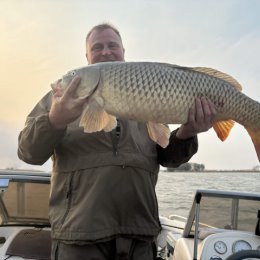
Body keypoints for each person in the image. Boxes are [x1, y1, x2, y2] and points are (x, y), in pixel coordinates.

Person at [18, 23, 216, 260]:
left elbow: (168, 158)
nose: (105, 51)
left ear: (123, 51)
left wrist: (186, 133)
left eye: (112, 45)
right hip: (78, 238)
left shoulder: (147, 89)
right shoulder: (60, 98)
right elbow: (27, 151)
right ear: (87, 57)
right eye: (97, 47)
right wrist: (54, 121)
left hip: (140, 237)